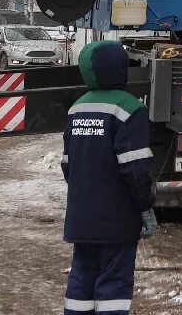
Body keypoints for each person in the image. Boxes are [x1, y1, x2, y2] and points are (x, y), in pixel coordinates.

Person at [61, 40, 157, 315]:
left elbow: (68, 164)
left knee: (82, 278)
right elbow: (135, 170)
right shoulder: (129, 109)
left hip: (82, 216)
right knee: (114, 283)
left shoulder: (77, 109)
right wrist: (145, 205)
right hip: (116, 218)